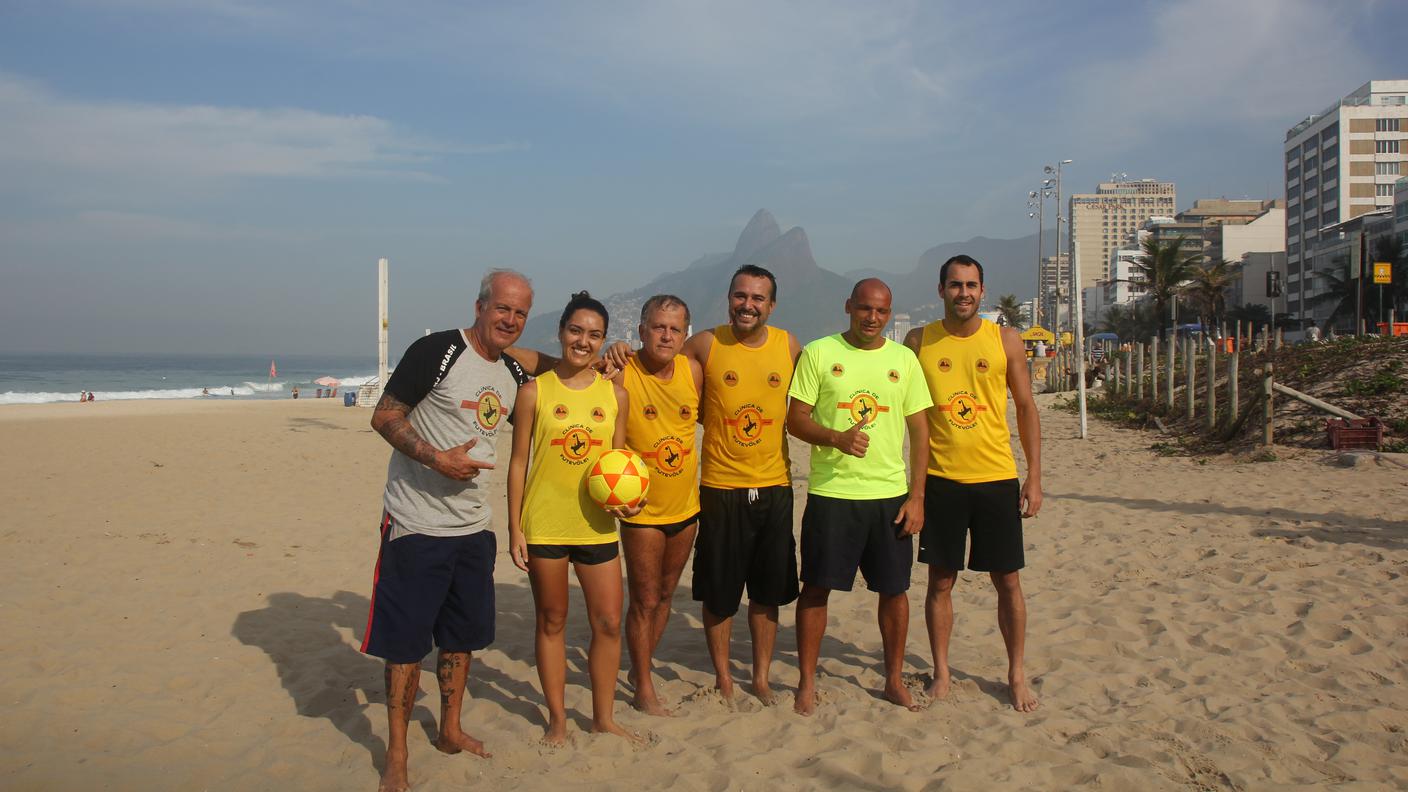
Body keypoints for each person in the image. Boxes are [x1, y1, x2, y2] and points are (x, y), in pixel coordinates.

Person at [362, 269, 562, 792]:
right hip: (417, 524)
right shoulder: (437, 351)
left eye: (520, 313)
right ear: (480, 306)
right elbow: (384, 416)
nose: (510, 320)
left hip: (475, 529)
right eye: (502, 308)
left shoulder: (512, 374)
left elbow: (554, 372)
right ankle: (398, 753)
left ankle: (450, 729)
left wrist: (599, 361)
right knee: (406, 646)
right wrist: (436, 459)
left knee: (459, 639)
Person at [904, 254, 1043, 713]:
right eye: (955, 284)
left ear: (982, 292)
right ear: (940, 290)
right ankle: (941, 671)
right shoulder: (918, 341)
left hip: (997, 479)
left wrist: (1034, 477)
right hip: (941, 480)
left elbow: (1025, 408)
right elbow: (907, 413)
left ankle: (1016, 674)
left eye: (971, 285)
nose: (963, 292)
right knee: (940, 581)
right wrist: (913, 489)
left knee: (1008, 581)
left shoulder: (1005, 340)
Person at [785, 279, 932, 715]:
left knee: (895, 591)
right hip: (832, 494)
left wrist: (917, 495)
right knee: (815, 589)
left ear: (890, 314)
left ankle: (893, 679)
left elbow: (921, 431)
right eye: (865, 308)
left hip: (889, 495)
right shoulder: (819, 353)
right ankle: (807, 682)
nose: (872, 318)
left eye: (881, 312)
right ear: (849, 306)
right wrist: (835, 437)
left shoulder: (903, 360)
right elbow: (795, 419)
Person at [507, 292, 642, 745]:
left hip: (598, 526)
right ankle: (558, 720)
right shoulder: (534, 390)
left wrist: (630, 501)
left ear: (604, 341)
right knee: (552, 622)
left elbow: (620, 463)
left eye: (594, 334)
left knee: (607, 622)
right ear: (562, 331)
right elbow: (518, 463)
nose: (583, 341)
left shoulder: (615, 394)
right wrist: (514, 529)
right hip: (544, 523)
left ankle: (602, 717)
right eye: (576, 330)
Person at [684, 264, 802, 703]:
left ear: (771, 305)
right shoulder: (704, 345)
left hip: (775, 485)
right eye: (740, 296)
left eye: (757, 298)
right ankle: (724, 678)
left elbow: (818, 395)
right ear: (729, 298)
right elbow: (658, 374)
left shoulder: (789, 345)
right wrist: (619, 350)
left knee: (767, 593)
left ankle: (761, 677)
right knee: (719, 593)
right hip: (720, 486)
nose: (747, 305)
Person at [617, 294, 703, 715]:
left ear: (685, 333)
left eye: (674, 328)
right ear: (641, 331)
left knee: (667, 594)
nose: (666, 335)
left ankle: (640, 668)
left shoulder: (693, 371)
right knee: (644, 599)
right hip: (642, 511)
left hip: (687, 508)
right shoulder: (621, 372)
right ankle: (644, 686)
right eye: (658, 327)